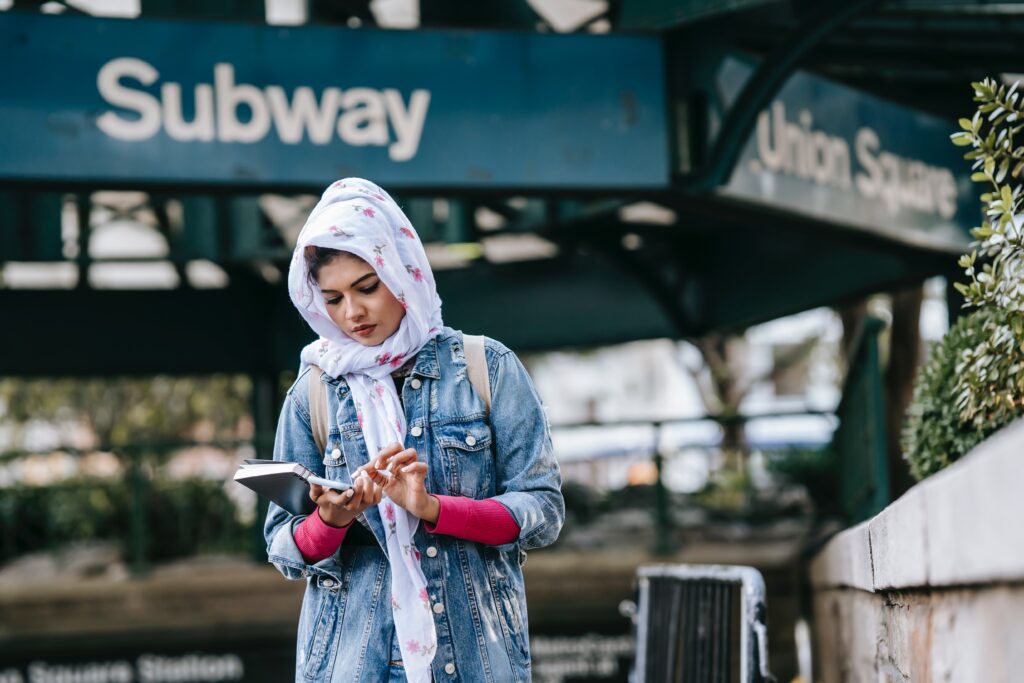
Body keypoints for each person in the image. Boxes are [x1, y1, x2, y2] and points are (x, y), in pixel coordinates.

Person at [263, 177, 565, 683]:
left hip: (474, 661)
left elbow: (543, 510)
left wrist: (434, 509)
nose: (352, 313)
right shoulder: (313, 391)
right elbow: (282, 546)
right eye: (332, 298)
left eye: (366, 287)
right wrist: (331, 522)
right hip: (350, 663)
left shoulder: (485, 367)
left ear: (402, 272)